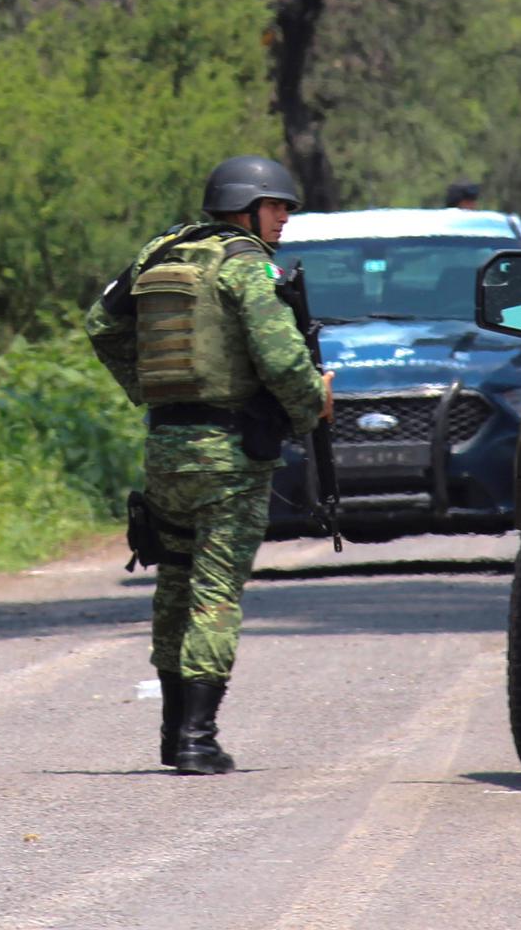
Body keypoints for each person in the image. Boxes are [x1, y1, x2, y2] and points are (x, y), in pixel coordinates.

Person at [84, 155, 331, 775]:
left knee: (174, 583)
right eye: (276, 208)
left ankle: (174, 733)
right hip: (229, 454)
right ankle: (197, 738)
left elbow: (100, 324)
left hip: (166, 447)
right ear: (245, 209)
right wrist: (309, 408)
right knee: (214, 592)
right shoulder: (247, 266)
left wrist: (149, 389)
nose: (283, 220)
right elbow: (280, 358)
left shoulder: (160, 253)